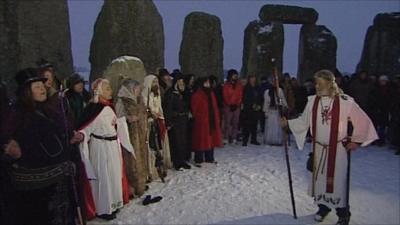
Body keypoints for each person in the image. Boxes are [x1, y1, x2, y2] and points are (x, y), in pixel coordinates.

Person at [283, 70, 378, 225]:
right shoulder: (313, 101)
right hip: (319, 149)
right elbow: (303, 121)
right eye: (316, 83)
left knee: (337, 182)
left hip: (338, 151)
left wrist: (356, 141)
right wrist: (287, 124)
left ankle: (343, 213)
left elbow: (363, 121)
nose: (317, 86)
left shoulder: (345, 101)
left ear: (329, 83)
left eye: (320, 83)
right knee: (320, 181)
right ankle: (323, 207)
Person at [2, 68, 82, 225]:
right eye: (37, 87)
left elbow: (53, 139)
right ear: (26, 91)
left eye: (42, 86)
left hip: (57, 184)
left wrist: (69, 140)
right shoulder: (16, 113)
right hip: (34, 191)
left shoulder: (48, 110)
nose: (42, 89)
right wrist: (9, 150)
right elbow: (5, 140)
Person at [77, 78, 126, 220]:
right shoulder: (94, 109)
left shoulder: (109, 107)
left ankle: (114, 204)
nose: (110, 90)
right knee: (103, 178)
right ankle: (104, 208)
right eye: (107, 88)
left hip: (112, 147)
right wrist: (81, 135)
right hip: (100, 148)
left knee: (113, 175)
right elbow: (86, 128)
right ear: (99, 91)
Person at [115, 79, 150, 197]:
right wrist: (128, 118)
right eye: (137, 89)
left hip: (140, 133)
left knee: (141, 157)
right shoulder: (122, 101)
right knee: (132, 160)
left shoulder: (139, 100)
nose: (139, 91)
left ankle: (141, 182)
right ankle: (132, 186)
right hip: (129, 134)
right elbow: (117, 119)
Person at [142, 74, 172, 180]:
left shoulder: (157, 94)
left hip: (158, 122)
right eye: (153, 82)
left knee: (159, 145)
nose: (156, 84)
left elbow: (159, 108)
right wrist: (151, 114)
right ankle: (152, 170)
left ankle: (161, 166)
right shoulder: (144, 95)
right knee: (151, 146)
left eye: (156, 82)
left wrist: (159, 115)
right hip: (150, 123)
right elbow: (144, 110)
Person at [191, 77, 222, 165]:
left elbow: (214, 107)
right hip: (202, 121)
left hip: (211, 120)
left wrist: (216, 118)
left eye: (208, 83)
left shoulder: (211, 93)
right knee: (200, 140)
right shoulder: (197, 94)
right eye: (206, 83)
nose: (208, 84)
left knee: (210, 139)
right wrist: (200, 117)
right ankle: (199, 159)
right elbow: (195, 109)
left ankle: (209, 157)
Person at [164, 72, 191, 170]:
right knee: (176, 142)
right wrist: (169, 122)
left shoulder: (182, 93)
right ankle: (177, 162)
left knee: (183, 141)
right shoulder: (170, 94)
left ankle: (182, 160)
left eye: (182, 82)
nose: (181, 84)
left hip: (183, 121)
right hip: (175, 121)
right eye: (179, 82)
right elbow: (168, 109)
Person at [367, 75, 393, 146]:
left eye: (384, 81)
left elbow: (390, 100)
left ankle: (381, 140)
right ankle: (374, 139)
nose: (383, 82)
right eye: (381, 81)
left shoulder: (389, 89)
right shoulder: (375, 89)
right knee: (374, 125)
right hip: (376, 109)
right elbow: (372, 98)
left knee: (382, 126)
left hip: (384, 110)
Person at [263, 76, 288, 145]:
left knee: (277, 126)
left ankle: (277, 140)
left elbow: (282, 99)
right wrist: (266, 112)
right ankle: (270, 140)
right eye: (272, 81)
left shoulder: (279, 90)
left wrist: (284, 106)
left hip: (277, 111)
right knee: (270, 127)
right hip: (270, 111)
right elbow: (266, 102)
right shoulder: (267, 92)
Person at [222, 69, 243, 144]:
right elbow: (225, 95)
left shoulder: (239, 85)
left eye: (236, 75)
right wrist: (229, 104)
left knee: (235, 122)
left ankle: (234, 137)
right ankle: (226, 137)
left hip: (236, 106)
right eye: (234, 75)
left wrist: (237, 104)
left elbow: (240, 95)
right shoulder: (226, 85)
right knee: (227, 122)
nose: (235, 76)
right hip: (228, 106)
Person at [241, 75, 262, 146]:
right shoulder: (246, 88)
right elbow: (245, 98)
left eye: (254, 78)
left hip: (256, 109)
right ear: (249, 79)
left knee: (254, 125)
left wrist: (259, 105)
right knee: (246, 125)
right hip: (248, 109)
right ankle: (245, 140)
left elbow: (260, 97)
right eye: (251, 78)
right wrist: (251, 105)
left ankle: (254, 139)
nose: (253, 79)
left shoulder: (258, 88)